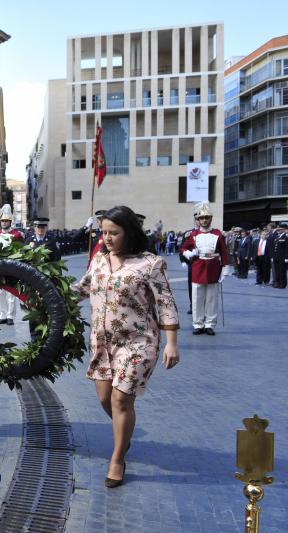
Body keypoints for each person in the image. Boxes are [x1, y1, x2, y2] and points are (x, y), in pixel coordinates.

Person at [72, 205, 180, 488]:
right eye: (104, 232)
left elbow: (165, 302)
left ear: (129, 232)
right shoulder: (98, 260)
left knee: (121, 399)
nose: (107, 238)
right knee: (105, 399)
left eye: (114, 233)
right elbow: (80, 290)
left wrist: (172, 343)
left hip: (138, 342)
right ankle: (125, 431)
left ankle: (118, 458)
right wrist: (42, 295)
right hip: (102, 342)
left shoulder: (150, 264)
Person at [180, 202, 231, 335]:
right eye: (201, 218)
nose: (204, 220)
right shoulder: (193, 234)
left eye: (206, 217)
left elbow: (224, 252)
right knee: (197, 297)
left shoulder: (218, 234)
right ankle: (198, 324)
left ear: (211, 219)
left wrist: (225, 269)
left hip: (213, 267)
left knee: (211, 298)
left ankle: (209, 324)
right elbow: (183, 248)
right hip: (198, 267)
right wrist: (189, 254)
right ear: (198, 220)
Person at [0, 204, 24, 325]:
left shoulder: (17, 235)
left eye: (6, 221)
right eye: (2, 221)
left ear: (10, 221)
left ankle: (10, 316)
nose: (4, 223)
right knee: (0, 292)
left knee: (11, 293)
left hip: (12, 267)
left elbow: (20, 251)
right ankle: (3, 315)